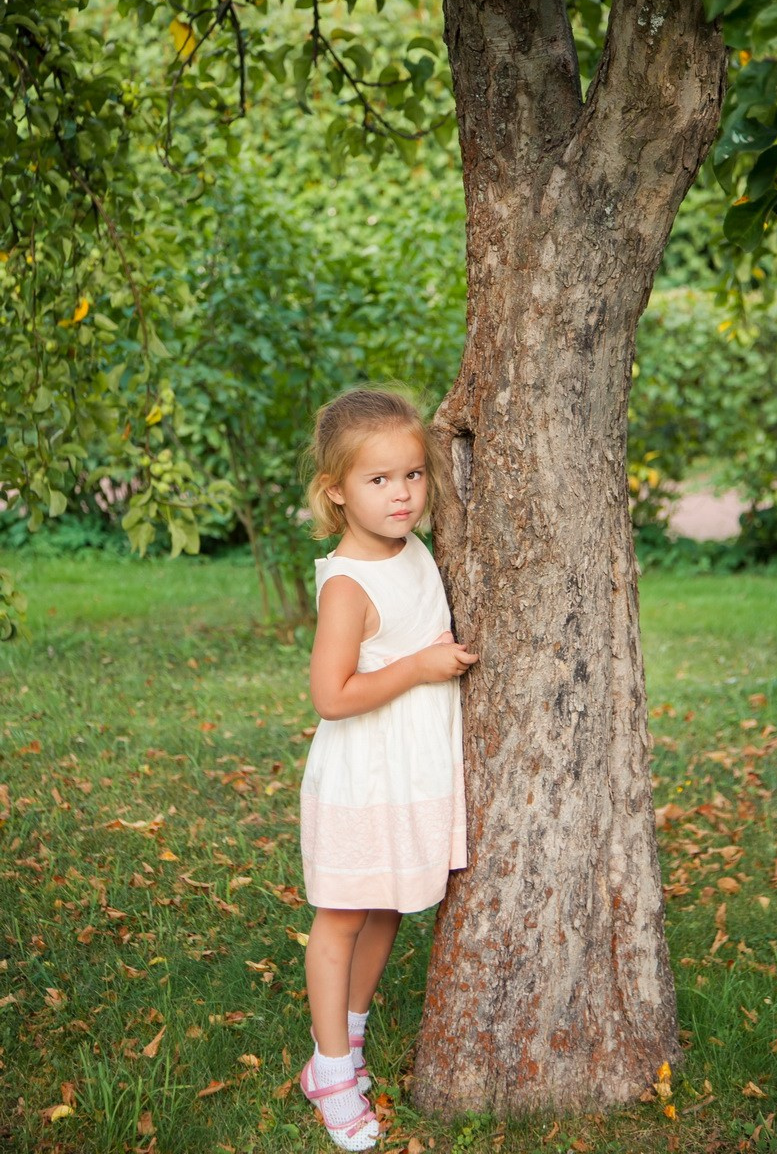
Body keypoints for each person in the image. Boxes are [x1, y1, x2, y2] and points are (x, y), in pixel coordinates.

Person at [299, 387, 478, 1150]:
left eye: (412, 475)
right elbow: (331, 696)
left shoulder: (414, 553)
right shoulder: (348, 583)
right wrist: (420, 666)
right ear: (336, 492)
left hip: (408, 772)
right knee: (342, 916)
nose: (402, 493)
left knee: (386, 909)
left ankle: (354, 1033)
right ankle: (331, 1072)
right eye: (378, 480)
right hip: (361, 780)